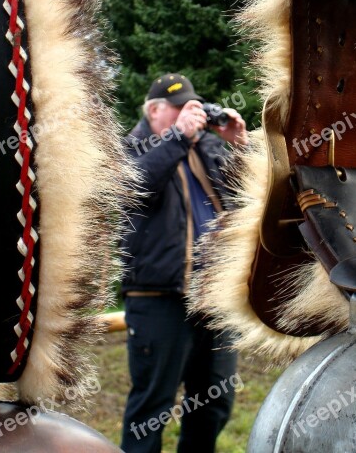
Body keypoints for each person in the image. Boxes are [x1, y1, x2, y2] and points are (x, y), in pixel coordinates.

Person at [120, 73, 248, 453]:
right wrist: (177, 137)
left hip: (212, 297)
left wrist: (239, 146)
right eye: (180, 108)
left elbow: (247, 195)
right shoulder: (131, 147)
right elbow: (134, 188)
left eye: (194, 107)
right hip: (159, 298)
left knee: (214, 403)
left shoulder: (206, 148)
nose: (189, 114)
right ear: (154, 110)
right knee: (152, 409)